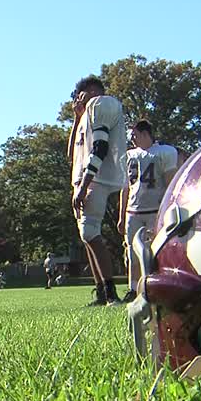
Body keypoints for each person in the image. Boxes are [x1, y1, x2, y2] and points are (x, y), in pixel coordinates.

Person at [67, 75, 127, 306]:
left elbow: (100, 148)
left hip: (94, 178)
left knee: (90, 232)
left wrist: (84, 185)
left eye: (87, 92)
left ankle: (111, 294)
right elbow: (72, 155)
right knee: (86, 236)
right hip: (83, 178)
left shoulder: (101, 104)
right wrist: (76, 118)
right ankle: (102, 291)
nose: (83, 97)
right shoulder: (85, 117)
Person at [117, 120, 179, 303]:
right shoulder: (128, 156)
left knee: (156, 250)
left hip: (155, 209)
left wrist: (168, 208)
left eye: (135, 135)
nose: (132, 139)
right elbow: (125, 188)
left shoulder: (164, 152)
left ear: (145, 133)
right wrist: (121, 216)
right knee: (131, 252)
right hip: (133, 210)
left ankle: (155, 286)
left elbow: (170, 183)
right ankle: (133, 289)